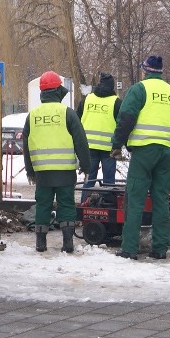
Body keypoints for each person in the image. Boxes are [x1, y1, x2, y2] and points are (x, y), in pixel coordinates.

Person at [110, 55, 170, 260]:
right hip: (165, 152)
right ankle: (160, 248)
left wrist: (117, 144)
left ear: (144, 71)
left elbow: (126, 117)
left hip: (144, 151)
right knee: (161, 200)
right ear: (161, 71)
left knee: (135, 199)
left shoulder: (139, 89)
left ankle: (130, 249)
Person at [23, 71, 91, 253]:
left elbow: (26, 144)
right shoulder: (67, 113)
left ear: (42, 93)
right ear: (57, 91)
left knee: (43, 205)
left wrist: (30, 170)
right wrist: (86, 165)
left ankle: (40, 243)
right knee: (67, 204)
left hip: (42, 172)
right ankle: (68, 242)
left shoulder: (33, 115)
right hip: (65, 171)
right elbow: (80, 141)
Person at [77, 72, 121, 202]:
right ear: (112, 87)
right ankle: (108, 208)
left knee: (89, 181)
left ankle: (84, 208)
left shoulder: (87, 100)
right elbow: (122, 124)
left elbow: (76, 119)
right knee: (109, 183)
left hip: (89, 147)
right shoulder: (116, 102)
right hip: (109, 148)